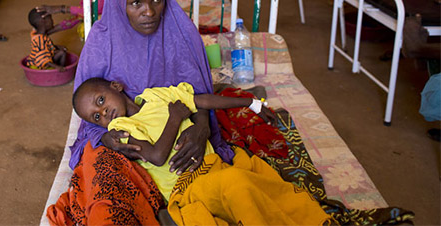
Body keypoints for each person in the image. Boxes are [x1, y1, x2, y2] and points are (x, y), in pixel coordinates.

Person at [58, 0, 233, 224]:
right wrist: (107, 140)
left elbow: (196, 93)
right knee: (103, 181)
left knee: (212, 180)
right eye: (136, 3)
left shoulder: (180, 32)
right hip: (129, 141)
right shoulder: (101, 43)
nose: (149, 12)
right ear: (119, 4)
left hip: (174, 128)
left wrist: (201, 128)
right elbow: (88, 111)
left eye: (157, 0)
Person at [71, 77, 332, 225]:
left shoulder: (156, 96)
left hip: (214, 166)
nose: (103, 113)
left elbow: (201, 100)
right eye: (96, 117)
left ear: (116, 86)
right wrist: (175, 118)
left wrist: (250, 102)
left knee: (258, 185)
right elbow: (156, 156)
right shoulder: (120, 128)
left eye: (101, 101)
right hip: (186, 187)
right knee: (237, 184)